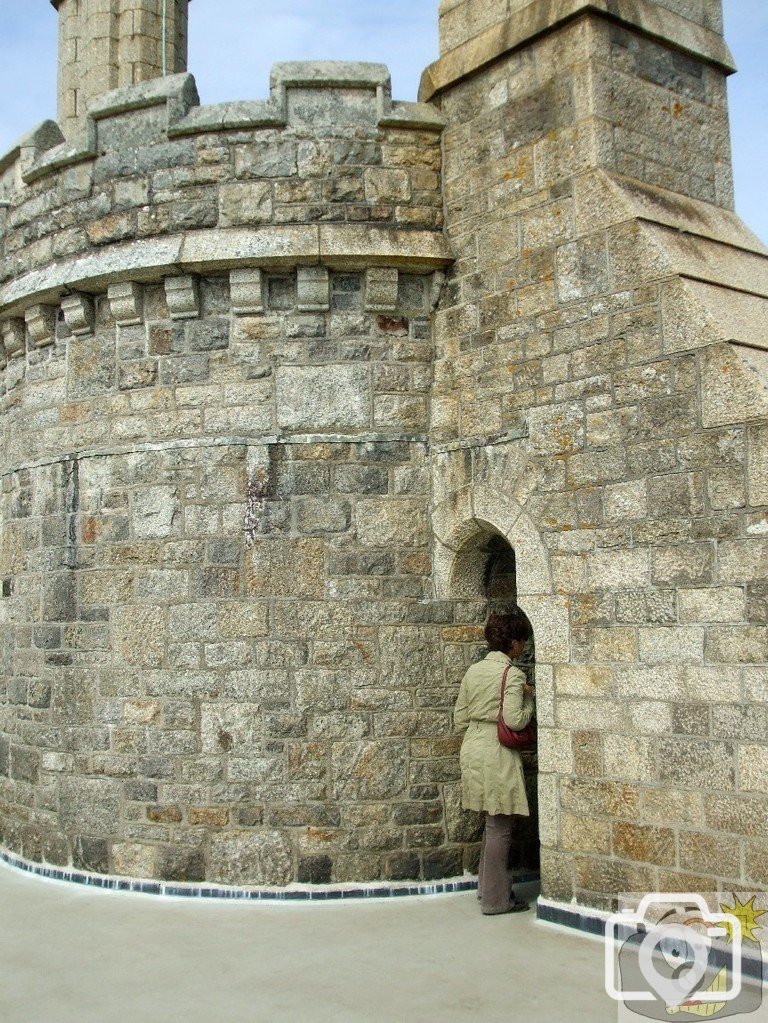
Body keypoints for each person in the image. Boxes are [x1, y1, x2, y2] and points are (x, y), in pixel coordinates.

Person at [453, 612, 535, 915]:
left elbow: (459, 715)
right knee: (501, 824)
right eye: (522, 641)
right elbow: (514, 719)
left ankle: (486, 890)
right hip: (496, 750)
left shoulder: (473, 671)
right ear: (512, 642)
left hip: (472, 746)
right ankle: (496, 901)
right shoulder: (512, 674)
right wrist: (529, 700)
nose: (523, 647)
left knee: (491, 821)